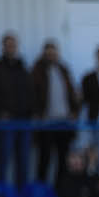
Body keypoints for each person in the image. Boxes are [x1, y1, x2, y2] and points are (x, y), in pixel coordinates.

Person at [0, 33, 33, 188]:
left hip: (23, 121)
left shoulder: (23, 67)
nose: (11, 47)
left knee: (23, 159)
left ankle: (21, 195)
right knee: (3, 158)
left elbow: (30, 92)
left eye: (13, 44)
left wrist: (31, 112)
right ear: (2, 46)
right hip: (4, 121)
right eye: (8, 44)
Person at [30, 40, 79, 182]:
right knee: (44, 158)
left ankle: (60, 190)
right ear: (44, 54)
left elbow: (72, 93)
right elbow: (31, 94)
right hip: (46, 123)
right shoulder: (37, 70)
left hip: (64, 122)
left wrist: (75, 110)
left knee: (63, 159)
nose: (52, 55)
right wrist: (38, 113)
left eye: (54, 52)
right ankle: (41, 190)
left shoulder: (63, 70)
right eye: (49, 53)